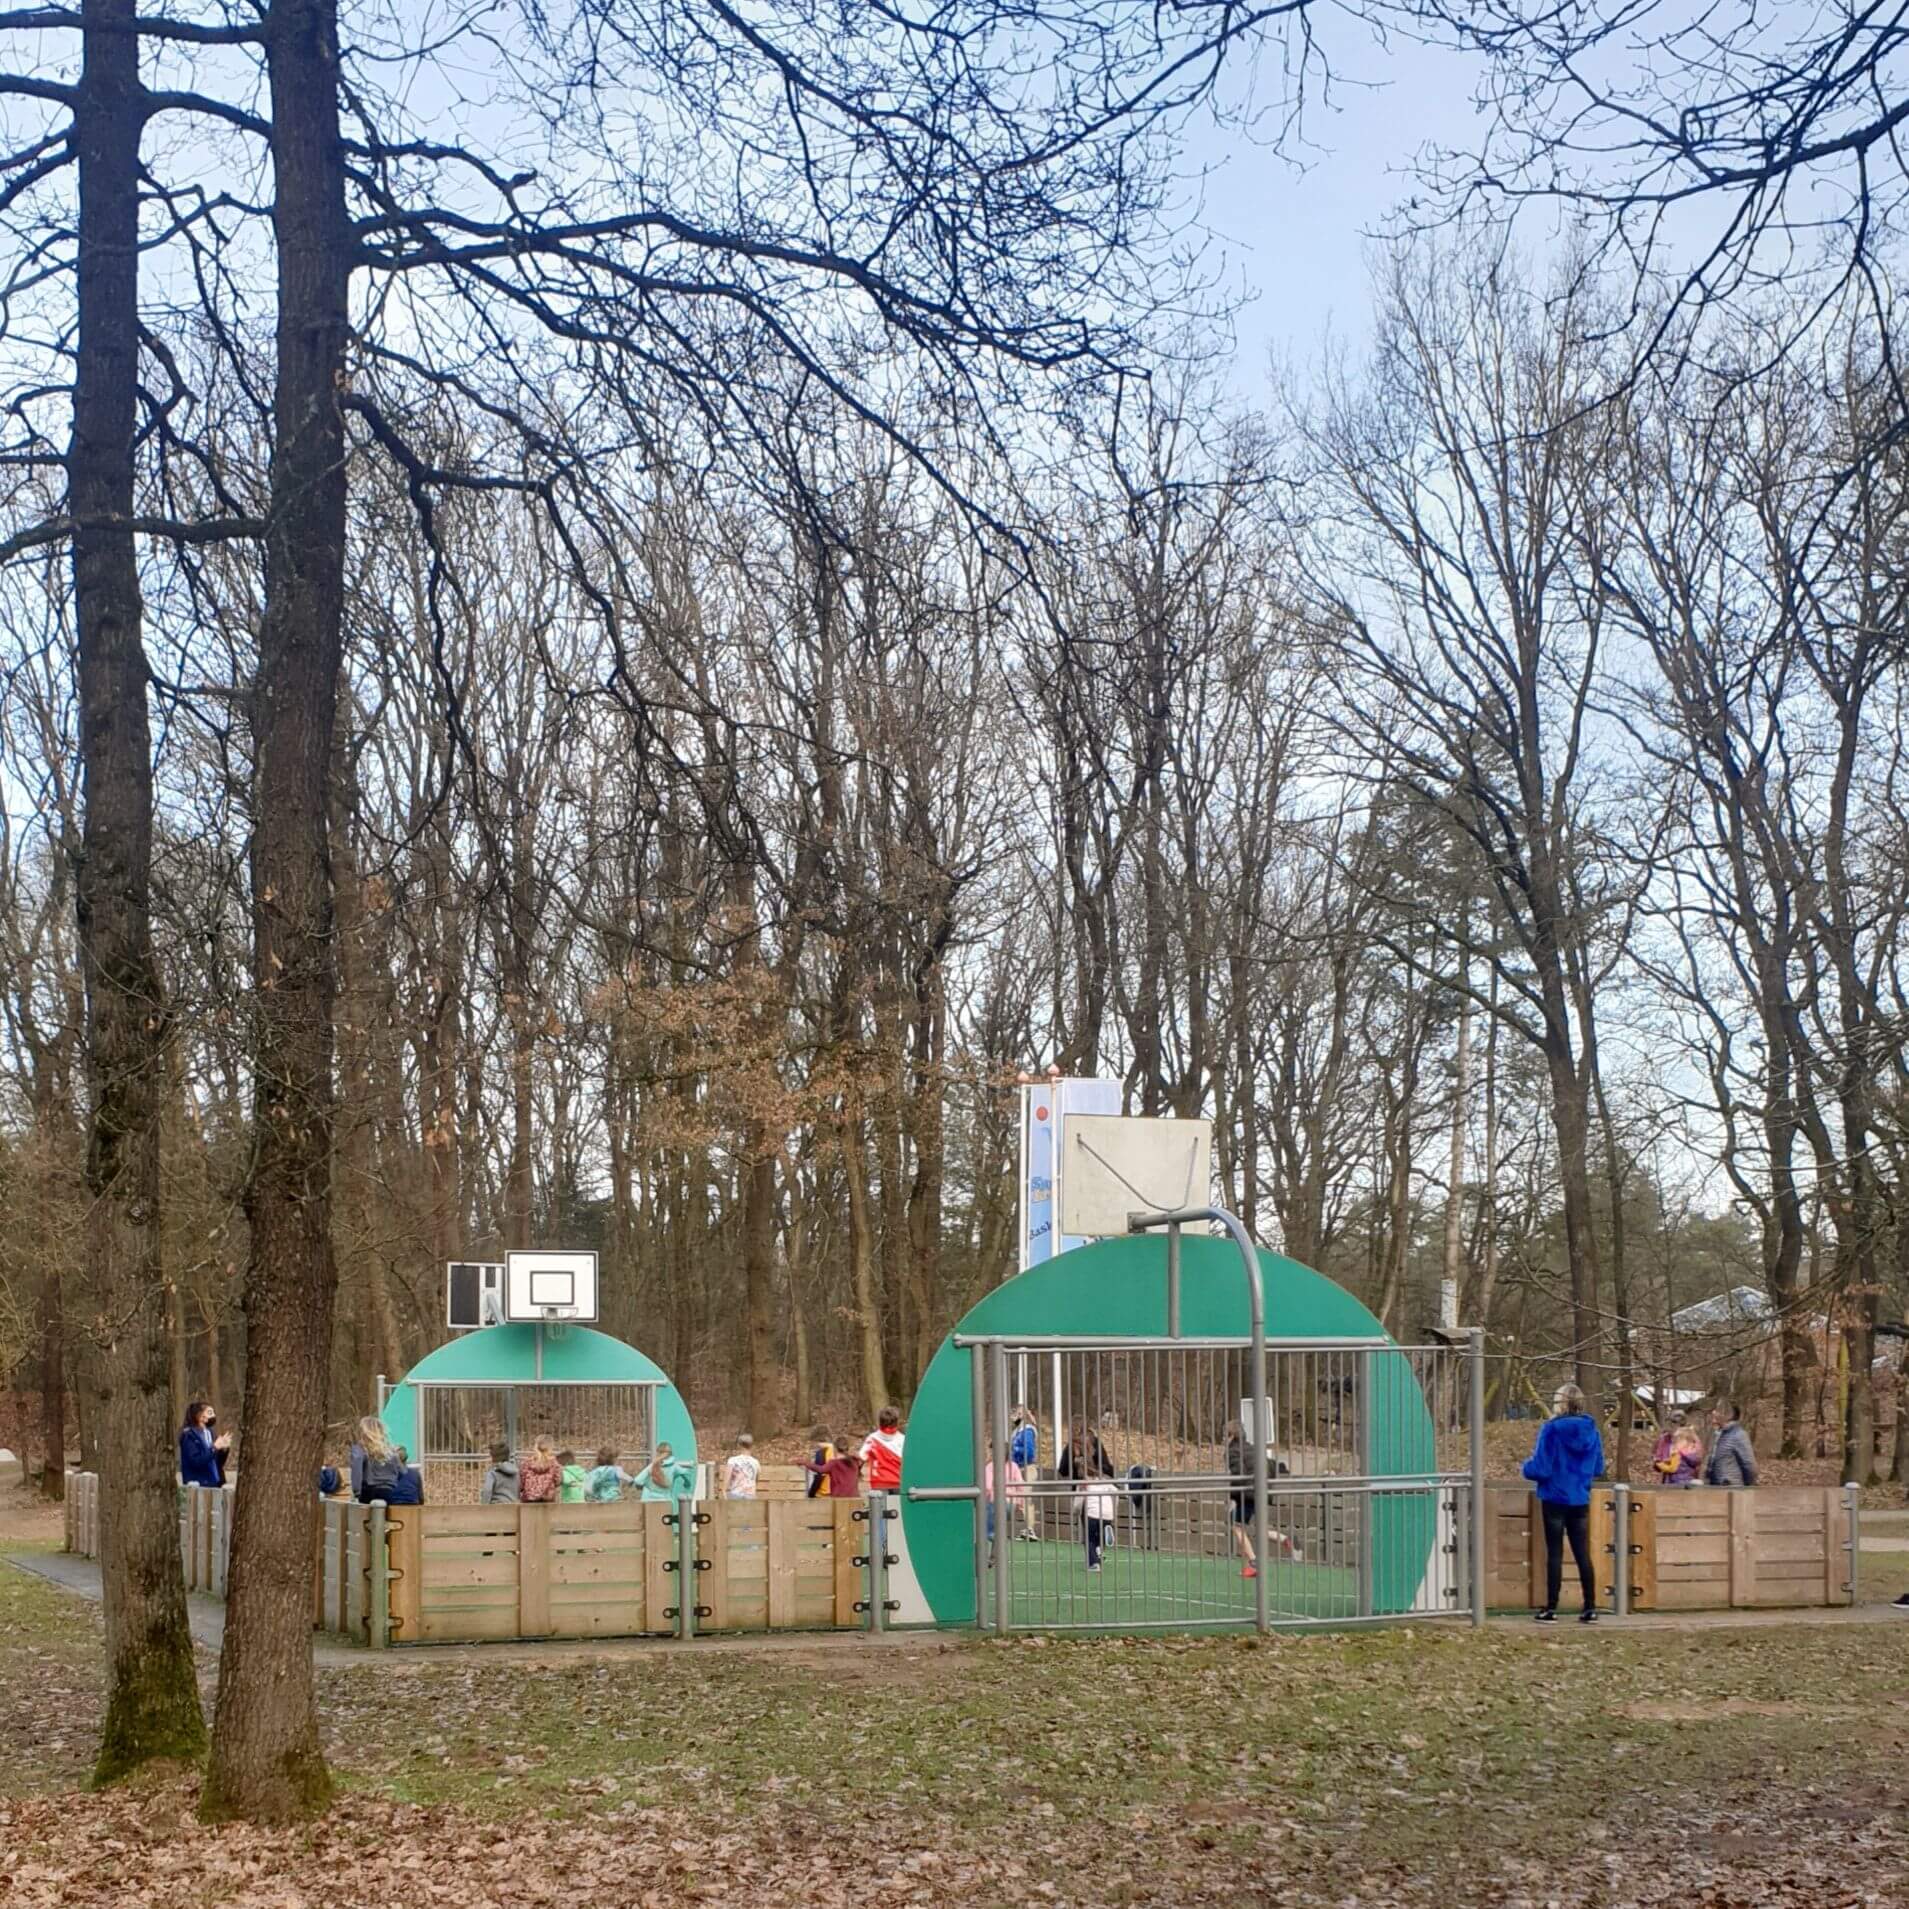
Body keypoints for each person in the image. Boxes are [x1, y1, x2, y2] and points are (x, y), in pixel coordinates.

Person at [1522, 1382, 1605, 1623]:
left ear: (1560, 1402)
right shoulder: (1592, 1430)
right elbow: (1598, 1467)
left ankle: (1551, 1607)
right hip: (1579, 1497)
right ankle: (1590, 1606)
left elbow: (1542, 1468)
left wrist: (1525, 1467)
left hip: (1555, 1497)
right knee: (1582, 1553)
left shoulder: (1552, 1429)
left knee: (1555, 1553)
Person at [350, 1415, 404, 1504]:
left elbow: (357, 1468)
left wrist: (356, 1492)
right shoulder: (390, 1451)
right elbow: (402, 1472)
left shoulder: (360, 1449)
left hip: (369, 1491)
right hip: (389, 1491)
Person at [1705, 1403, 1759, 1487]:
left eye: (1718, 1410)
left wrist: (1749, 1486)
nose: (1714, 1412)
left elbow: (1749, 1465)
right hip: (1716, 1488)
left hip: (1732, 1489)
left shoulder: (1739, 1434)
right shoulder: (1719, 1434)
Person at [178, 1402, 228, 1489]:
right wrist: (214, 1448)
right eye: (209, 1412)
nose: (213, 1415)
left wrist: (224, 1450)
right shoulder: (189, 1435)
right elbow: (196, 1461)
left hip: (216, 1483)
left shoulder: (211, 1432)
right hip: (199, 1485)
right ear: (199, 1415)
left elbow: (217, 1462)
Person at [1010, 1409, 1040, 1539]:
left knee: (1025, 1498)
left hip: (1026, 1467)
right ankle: (1028, 1527)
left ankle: (1030, 1529)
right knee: (1021, 1499)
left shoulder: (1027, 1431)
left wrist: (1014, 1450)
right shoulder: (1017, 1432)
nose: (1014, 1415)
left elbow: (1029, 1451)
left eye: (1018, 1413)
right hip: (1019, 1467)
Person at [1652, 1412, 1703, 1489]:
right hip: (1668, 1480)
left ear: (1680, 1425)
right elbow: (1658, 1458)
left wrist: (1682, 1454)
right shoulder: (1664, 1438)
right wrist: (1659, 1463)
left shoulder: (1691, 1438)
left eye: (1672, 1424)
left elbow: (1697, 1459)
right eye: (1668, 1424)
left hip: (1687, 1479)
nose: (1669, 1427)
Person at [860, 1407, 905, 1492]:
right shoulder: (903, 1440)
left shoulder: (872, 1439)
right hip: (898, 1482)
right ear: (896, 1423)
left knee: (879, 1505)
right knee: (896, 1505)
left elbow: (862, 1457)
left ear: (880, 1422)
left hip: (878, 1483)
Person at [517, 1437, 562, 1504]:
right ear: (550, 1448)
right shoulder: (554, 1464)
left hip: (528, 1501)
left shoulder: (526, 1463)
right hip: (548, 1501)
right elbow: (558, 1482)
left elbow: (521, 1483)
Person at [722, 1433, 760, 1500]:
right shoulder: (756, 1462)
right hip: (750, 1496)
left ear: (739, 1445)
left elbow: (726, 1481)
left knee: (731, 1495)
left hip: (736, 1495)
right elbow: (755, 1481)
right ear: (751, 1446)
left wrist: (724, 1492)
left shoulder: (732, 1461)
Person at [805, 1427, 836, 1499]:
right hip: (835, 1493)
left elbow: (819, 1475)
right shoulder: (836, 1451)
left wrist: (811, 1494)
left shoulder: (821, 1453)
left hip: (822, 1494)